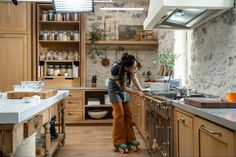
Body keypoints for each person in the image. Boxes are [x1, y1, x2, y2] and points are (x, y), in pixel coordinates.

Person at [108, 52, 144, 153]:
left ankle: (130, 139)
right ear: (127, 67)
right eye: (133, 67)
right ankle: (118, 141)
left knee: (128, 115)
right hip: (115, 91)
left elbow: (133, 78)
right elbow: (122, 87)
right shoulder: (115, 69)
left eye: (135, 66)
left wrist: (141, 90)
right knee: (119, 115)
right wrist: (137, 92)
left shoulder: (132, 67)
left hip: (125, 90)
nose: (134, 68)